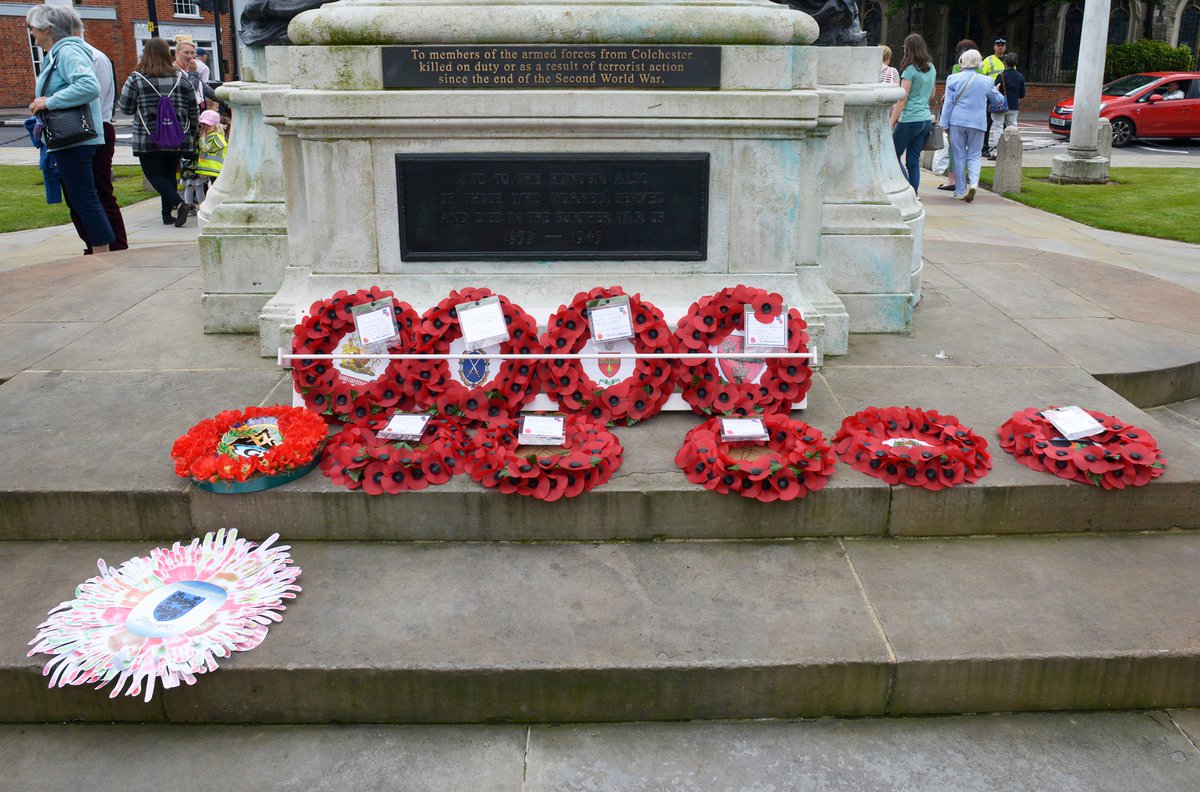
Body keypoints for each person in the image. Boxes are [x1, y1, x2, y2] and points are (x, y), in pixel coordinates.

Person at [26, 5, 113, 253]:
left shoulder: (67, 51)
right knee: (84, 198)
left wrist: (49, 101)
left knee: (84, 199)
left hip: (74, 139)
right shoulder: (61, 52)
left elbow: (88, 86)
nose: (32, 32)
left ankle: (102, 254)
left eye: (32, 27)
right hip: (73, 138)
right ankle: (101, 251)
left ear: (47, 29)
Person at [118, 37, 199, 227]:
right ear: (167, 54)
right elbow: (193, 108)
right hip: (176, 135)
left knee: (154, 175)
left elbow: (126, 108)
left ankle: (179, 204)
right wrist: (193, 131)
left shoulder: (137, 78)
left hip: (148, 137)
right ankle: (166, 215)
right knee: (169, 174)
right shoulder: (181, 78)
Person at [67, 16, 128, 254]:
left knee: (97, 194)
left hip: (93, 129)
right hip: (87, 130)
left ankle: (114, 245)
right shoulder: (80, 56)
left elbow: (94, 97)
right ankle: (98, 244)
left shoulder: (92, 57)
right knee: (81, 196)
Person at [940, 48, 1005, 203]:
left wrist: (944, 124)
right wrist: (996, 92)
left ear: (963, 61)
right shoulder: (986, 80)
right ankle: (974, 184)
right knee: (975, 155)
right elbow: (999, 101)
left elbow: (948, 103)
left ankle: (961, 189)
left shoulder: (953, 78)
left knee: (958, 154)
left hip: (957, 121)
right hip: (978, 122)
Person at [889, 34, 936, 193]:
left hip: (909, 119)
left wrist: (892, 120)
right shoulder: (931, 67)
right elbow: (932, 94)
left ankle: (908, 190)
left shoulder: (910, 70)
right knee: (913, 161)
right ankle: (914, 193)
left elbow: (902, 99)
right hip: (925, 119)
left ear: (909, 49)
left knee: (892, 155)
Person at [936, 39, 978, 191]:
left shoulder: (956, 68)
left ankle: (953, 180)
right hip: (976, 116)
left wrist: (944, 121)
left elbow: (951, 93)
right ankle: (969, 183)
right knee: (972, 152)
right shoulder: (980, 71)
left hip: (957, 115)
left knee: (954, 148)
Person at [988, 53, 1025, 157]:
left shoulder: (1001, 76)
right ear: (1016, 63)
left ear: (1005, 63)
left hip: (1001, 105)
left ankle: (997, 151)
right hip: (1013, 105)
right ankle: (1012, 151)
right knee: (1013, 128)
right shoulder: (1020, 76)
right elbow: (1022, 93)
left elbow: (995, 91)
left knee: (998, 128)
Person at [980, 38, 1007, 158]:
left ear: (1005, 47)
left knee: (1005, 125)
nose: (1000, 47)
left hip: (1003, 96)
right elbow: (982, 75)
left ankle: (1004, 148)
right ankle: (984, 147)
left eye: (1002, 45)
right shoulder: (988, 60)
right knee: (987, 123)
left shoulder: (1008, 60)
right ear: (994, 47)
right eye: (998, 45)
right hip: (991, 95)